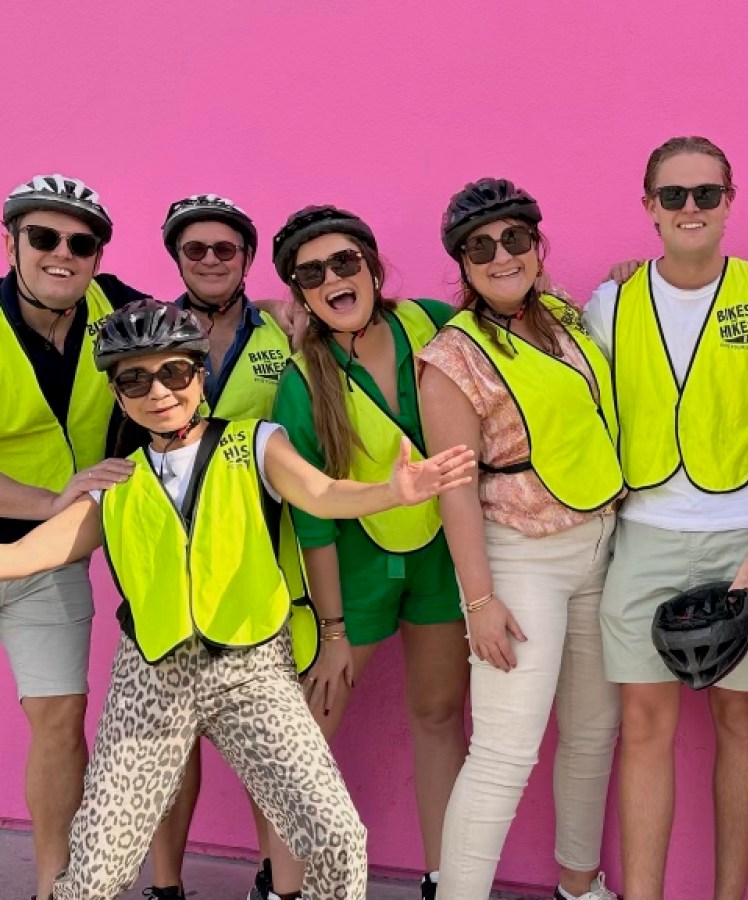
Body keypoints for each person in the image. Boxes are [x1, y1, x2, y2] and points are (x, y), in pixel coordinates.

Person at [0, 297, 474, 900]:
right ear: (117, 395)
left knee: (335, 837)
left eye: (174, 372)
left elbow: (322, 494)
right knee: (94, 874)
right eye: (135, 380)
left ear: (200, 374)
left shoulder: (254, 443)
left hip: (252, 670)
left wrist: (392, 491)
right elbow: (23, 555)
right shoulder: (116, 483)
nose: (158, 391)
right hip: (152, 677)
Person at [583, 136, 748, 900]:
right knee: (644, 726)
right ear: (649, 207)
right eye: (674, 195)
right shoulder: (608, 304)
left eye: (706, 194)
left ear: (729, 202)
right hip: (644, 536)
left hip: (747, 534)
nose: (691, 208)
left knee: (740, 723)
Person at [419, 178, 622, 900]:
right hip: (520, 560)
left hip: (600, 546)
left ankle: (578, 886)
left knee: (593, 734)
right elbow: (454, 489)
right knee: (504, 754)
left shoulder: (563, 318)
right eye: (481, 248)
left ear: (538, 244)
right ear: (463, 264)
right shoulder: (452, 358)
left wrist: (627, 277)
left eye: (515, 239)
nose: (502, 256)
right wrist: (480, 601)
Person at [270, 206, 470, 900]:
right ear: (299, 293)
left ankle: (445, 880)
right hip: (353, 569)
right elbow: (312, 518)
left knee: (440, 714)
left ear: (372, 265)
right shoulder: (302, 378)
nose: (333, 278)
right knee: (307, 732)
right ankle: (284, 889)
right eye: (311, 273)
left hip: (438, 557)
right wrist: (331, 633)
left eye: (345, 261)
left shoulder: (431, 323)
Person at [146, 193, 303, 900]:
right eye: (195, 249)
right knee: (170, 740)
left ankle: (274, 880)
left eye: (225, 249)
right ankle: (166, 885)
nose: (210, 260)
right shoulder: (149, 330)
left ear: (246, 257)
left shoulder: (284, 329)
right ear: (177, 258)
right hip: (167, 558)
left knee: (265, 737)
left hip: (258, 559)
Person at [0, 173, 147, 900]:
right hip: (31, 523)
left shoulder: (116, 309)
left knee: (60, 720)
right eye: (44, 237)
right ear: (12, 243)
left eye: (81, 243)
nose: (63, 253)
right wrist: (51, 499)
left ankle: (56, 887)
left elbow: (205, 314)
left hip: (49, 560)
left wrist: (283, 311)